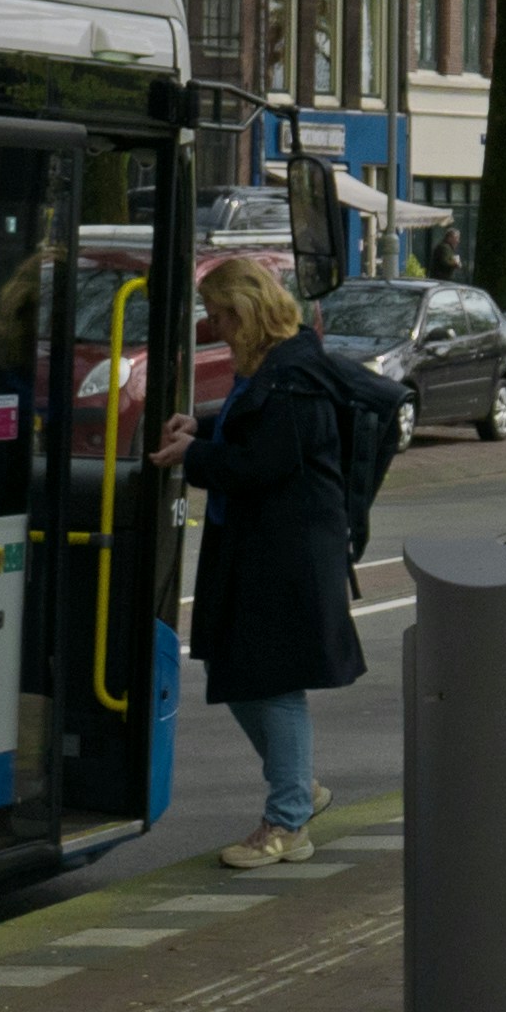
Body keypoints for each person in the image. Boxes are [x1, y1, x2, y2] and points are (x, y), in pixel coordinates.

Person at [151, 260, 364, 869]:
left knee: (269, 680)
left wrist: (194, 455)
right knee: (238, 668)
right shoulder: (282, 362)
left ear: (243, 312)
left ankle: (288, 822)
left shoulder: (293, 370)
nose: (213, 327)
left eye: (218, 316)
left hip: (285, 554)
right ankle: (297, 786)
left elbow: (263, 462)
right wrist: (205, 425)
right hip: (265, 549)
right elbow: (255, 424)